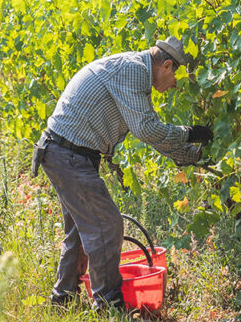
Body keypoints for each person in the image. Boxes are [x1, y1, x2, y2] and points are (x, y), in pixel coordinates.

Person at [33, 36, 214, 310]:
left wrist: (193, 157)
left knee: (81, 231)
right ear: (166, 65)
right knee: (107, 224)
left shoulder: (134, 70)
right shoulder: (132, 71)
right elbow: (148, 129)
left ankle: (63, 300)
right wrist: (192, 134)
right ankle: (109, 304)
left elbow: (151, 133)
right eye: (177, 77)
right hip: (68, 154)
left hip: (64, 152)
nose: (175, 85)